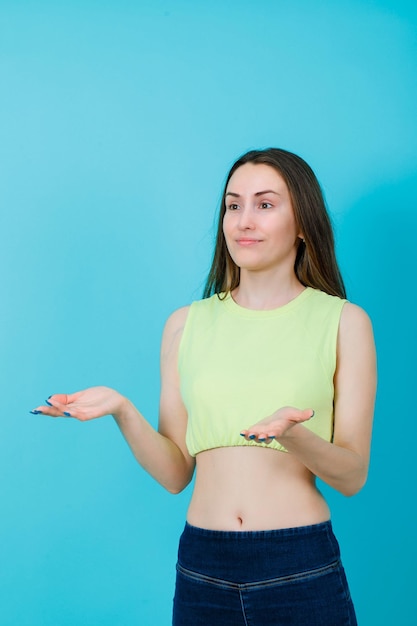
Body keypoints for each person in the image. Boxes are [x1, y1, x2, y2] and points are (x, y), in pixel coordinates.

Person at [31, 148, 376, 625]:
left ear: (302, 223)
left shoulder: (343, 322)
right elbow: (176, 473)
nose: (244, 220)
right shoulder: (184, 325)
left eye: (265, 204)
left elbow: (353, 475)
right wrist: (122, 410)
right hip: (202, 567)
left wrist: (294, 436)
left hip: (298, 563)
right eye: (233, 205)